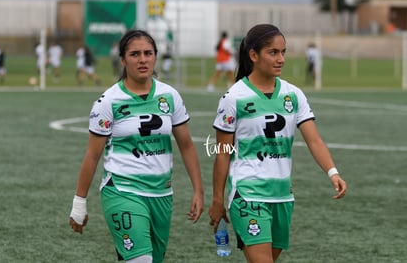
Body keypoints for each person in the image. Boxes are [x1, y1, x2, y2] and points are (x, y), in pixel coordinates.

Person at [208, 24, 347, 263]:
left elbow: (314, 140)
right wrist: (218, 199)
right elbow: (223, 152)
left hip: (282, 196)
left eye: (283, 52)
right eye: (273, 52)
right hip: (248, 195)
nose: (281, 58)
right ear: (253, 55)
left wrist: (332, 172)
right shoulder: (234, 97)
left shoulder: (294, 95)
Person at [69, 29, 204, 263]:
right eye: (135, 54)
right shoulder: (108, 101)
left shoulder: (170, 96)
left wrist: (198, 191)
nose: (143, 59)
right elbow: (92, 155)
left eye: (148, 53)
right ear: (123, 60)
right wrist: (79, 203)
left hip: (162, 193)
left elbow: (187, 146)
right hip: (122, 190)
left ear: (155, 56)